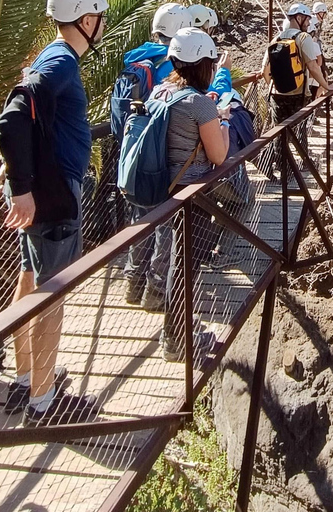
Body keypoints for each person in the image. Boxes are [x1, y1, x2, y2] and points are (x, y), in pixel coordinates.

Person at [0, 0, 108, 427]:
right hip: (51, 197)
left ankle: (24, 378)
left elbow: (31, 118)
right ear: (87, 20)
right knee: (51, 296)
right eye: (101, 18)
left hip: (39, 192)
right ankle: (44, 403)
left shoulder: (49, 56)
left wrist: (13, 173)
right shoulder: (61, 62)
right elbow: (12, 118)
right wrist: (20, 187)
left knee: (28, 280)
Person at [153, 27, 232, 362]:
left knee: (178, 261)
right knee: (186, 267)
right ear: (202, 64)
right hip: (194, 194)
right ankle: (177, 340)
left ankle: (178, 331)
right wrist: (224, 122)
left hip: (166, 188)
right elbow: (219, 155)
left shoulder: (163, 91)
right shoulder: (200, 105)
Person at [121, 2, 192, 311]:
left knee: (140, 219)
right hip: (163, 158)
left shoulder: (137, 59)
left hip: (132, 153)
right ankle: (156, 290)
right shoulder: (171, 65)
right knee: (164, 225)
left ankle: (132, 283)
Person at [263, 3, 333, 178]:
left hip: (276, 94)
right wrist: (326, 86)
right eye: (307, 18)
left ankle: (279, 167)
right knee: (293, 133)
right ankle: (289, 169)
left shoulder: (276, 39)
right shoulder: (304, 39)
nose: (308, 21)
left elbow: (265, 70)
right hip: (297, 95)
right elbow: (313, 66)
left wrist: (271, 85)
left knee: (279, 133)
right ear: (299, 18)